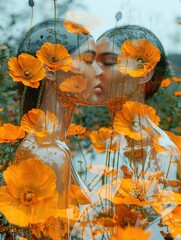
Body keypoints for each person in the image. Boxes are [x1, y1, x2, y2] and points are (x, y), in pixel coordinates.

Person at [70, 25, 181, 240]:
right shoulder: (106, 145)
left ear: (143, 73)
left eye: (109, 62)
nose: (96, 71)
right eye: (92, 62)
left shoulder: (161, 152)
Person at [10, 18, 106, 239]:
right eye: (88, 60)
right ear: (50, 69)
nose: (100, 71)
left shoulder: (51, 147)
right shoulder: (48, 154)